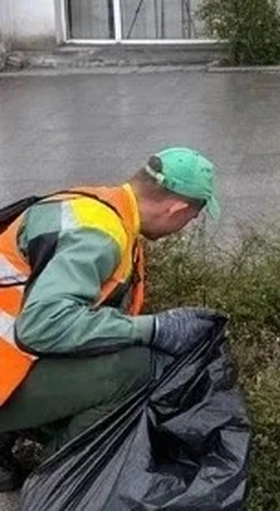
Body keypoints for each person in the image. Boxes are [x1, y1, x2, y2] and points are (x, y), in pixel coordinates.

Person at [0, 147, 224, 491]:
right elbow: (42, 326)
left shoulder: (98, 206)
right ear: (176, 209)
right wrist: (154, 329)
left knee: (112, 349)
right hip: (9, 367)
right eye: (192, 218)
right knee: (135, 369)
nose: (186, 227)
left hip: (10, 359)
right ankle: (62, 478)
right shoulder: (98, 236)